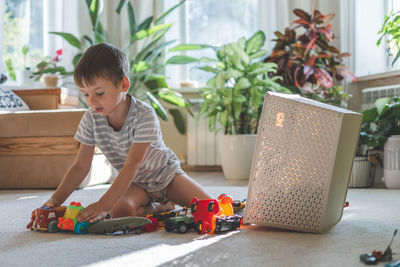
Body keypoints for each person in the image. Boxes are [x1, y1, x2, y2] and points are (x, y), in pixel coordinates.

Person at [26, 43, 211, 226]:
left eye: (99, 92)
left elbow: (132, 165)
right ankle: (159, 208)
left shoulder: (144, 114)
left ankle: (165, 201)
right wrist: (53, 202)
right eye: (86, 94)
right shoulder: (90, 119)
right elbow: (80, 167)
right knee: (120, 212)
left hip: (166, 177)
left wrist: (103, 205)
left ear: (123, 84)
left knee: (210, 208)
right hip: (136, 184)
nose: (92, 101)